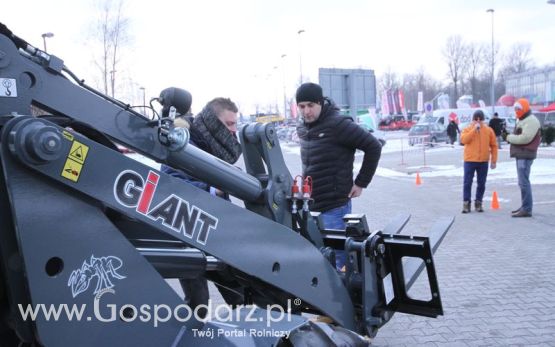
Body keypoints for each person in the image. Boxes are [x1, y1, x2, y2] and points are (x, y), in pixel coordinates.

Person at [161, 97, 242, 314]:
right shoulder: (182, 144)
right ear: (213, 123)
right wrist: (213, 190)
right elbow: (171, 182)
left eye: (235, 124)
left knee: (238, 293)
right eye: (229, 124)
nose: (234, 132)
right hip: (186, 232)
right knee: (198, 304)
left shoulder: (209, 146)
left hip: (215, 232)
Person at [295, 83, 382, 270]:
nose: (306, 111)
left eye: (310, 105)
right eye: (302, 106)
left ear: (320, 103)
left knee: (337, 264)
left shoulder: (338, 124)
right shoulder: (303, 127)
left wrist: (361, 182)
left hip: (335, 207)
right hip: (312, 206)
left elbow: (373, 146)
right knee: (319, 263)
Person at [502, 98, 541, 218]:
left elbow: (525, 138)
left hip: (525, 154)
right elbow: (520, 135)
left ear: (524, 108)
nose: (516, 111)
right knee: (522, 182)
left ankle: (527, 209)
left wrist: (508, 137)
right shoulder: (523, 119)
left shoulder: (531, 121)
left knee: (524, 182)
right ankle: (525, 206)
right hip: (521, 154)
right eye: (515, 109)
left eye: (518, 109)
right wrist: (508, 135)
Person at [460, 110, 498, 213]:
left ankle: (478, 202)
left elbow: (494, 146)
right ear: (472, 120)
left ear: (483, 120)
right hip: (470, 160)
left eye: (480, 119)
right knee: (467, 183)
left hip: (483, 161)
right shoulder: (467, 129)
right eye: (476, 119)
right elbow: (464, 140)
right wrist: (474, 130)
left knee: (481, 183)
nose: (478, 121)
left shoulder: (488, 130)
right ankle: (466, 204)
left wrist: (493, 160)